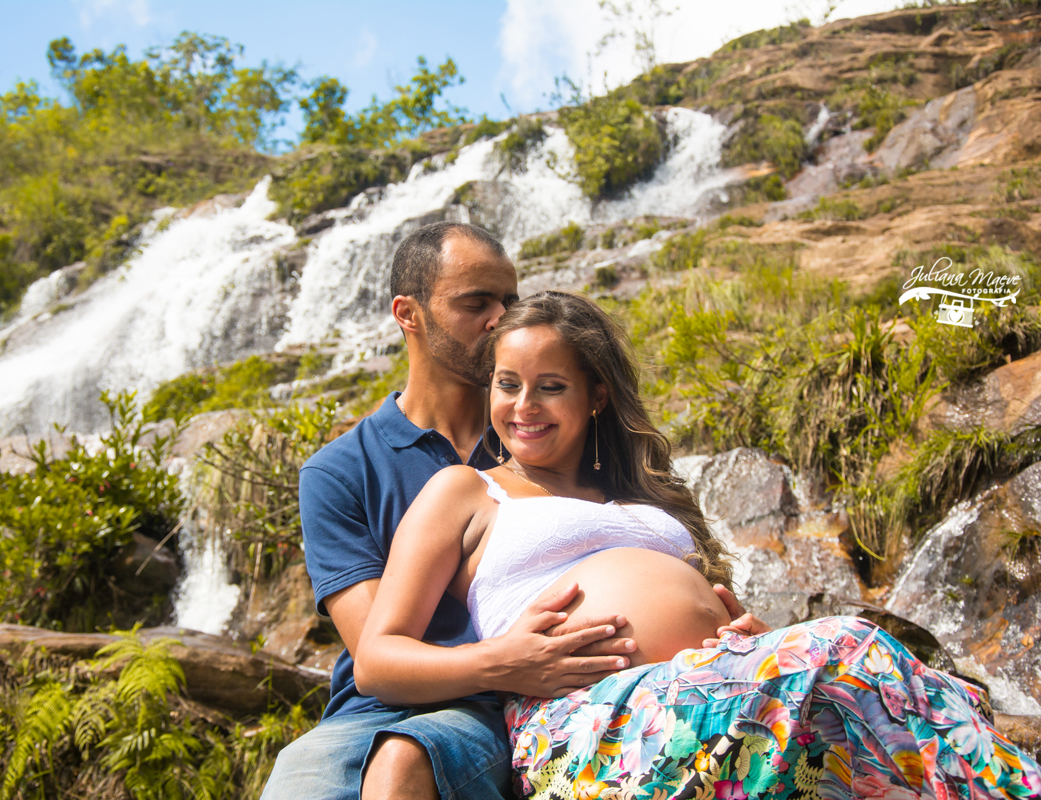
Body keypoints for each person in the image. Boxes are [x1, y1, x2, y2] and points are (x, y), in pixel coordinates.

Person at [355, 290, 1041, 799]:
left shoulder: (647, 496)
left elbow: (701, 606)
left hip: (712, 694)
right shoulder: (465, 491)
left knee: (872, 694)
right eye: (508, 385)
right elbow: (379, 661)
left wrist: (747, 629)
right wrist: (502, 660)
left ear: (596, 396)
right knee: (849, 648)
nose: (523, 406)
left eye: (551, 387)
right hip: (586, 727)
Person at [263, 223, 687, 800]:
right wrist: (509, 660)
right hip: (392, 707)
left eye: (509, 300)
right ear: (408, 314)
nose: (500, 318)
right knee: (306, 783)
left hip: (523, 698)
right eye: (476, 302)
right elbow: (377, 653)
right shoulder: (340, 471)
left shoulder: (543, 439)